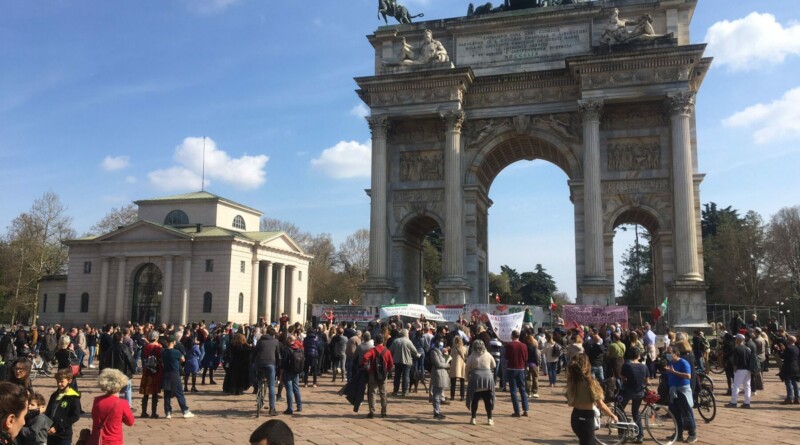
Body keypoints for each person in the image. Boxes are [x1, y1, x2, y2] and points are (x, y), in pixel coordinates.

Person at [565, 354, 617, 445]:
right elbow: (601, 404)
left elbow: (570, 403)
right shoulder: (591, 382)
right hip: (587, 418)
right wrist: (612, 415)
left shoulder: (572, 382)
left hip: (575, 416)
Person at [86, 369, 134, 445]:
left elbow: (94, 417)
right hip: (114, 441)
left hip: (97, 440)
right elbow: (130, 422)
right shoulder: (122, 403)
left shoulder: (97, 401)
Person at [664, 345, 697, 443]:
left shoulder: (683, 362)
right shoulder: (670, 362)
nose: (668, 354)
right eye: (667, 353)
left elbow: (688, 376)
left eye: (669, 352)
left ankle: (692, 433)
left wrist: (674, 372)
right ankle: (678, 433)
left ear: (676, 353)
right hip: (673, 390)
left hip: (683, 391)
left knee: (686, 412)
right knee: (675, 413)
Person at [160, 335, 194, 419]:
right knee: (179, 393)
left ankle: (168, 412)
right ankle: (185, 410)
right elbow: (183, 359)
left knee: (167, 394)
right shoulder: (176, 352)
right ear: (174, 342)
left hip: (166, 373)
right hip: (174, 373)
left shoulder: (163, 352)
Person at [44, 369, 81, 445]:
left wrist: (58, 427)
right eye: (58, 382)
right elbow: (48, 412)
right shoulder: (54, 395)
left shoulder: (73, 396)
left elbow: (75, 416)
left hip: (63, 435)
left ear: (69, 381)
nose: (59, 384)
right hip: (51, 434)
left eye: (62, 381)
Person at [618, 347, 647, 444]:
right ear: (639, 356)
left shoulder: (626, 365)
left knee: (619, 409)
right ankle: (640, 435)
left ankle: (623, 433)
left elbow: (622, 378)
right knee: (636, 412)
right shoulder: (644, 366)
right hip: (640, 392)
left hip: (628, 391)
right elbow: (646, 381)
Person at [361, 333, 393, 419]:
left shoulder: (372, 350)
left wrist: (366, 367)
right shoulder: (387, 351)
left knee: (372, 393)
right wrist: (387, 370)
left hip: (373, 373)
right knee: (383, 393)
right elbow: (391, 363)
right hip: (383, 374)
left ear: (375, 341)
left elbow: (364, 357)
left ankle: (372, 412)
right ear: (383, 341)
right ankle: (384, 412)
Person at [465, 339, 496, 426]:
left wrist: (467, 378)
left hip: (476, 380)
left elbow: (467, 368)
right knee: (487, 400)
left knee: (475, 400)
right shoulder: (488, 354)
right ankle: (490, 418)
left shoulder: (472, 356)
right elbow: (494, 365)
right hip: (487, 379)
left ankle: (473, 418)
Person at [253, 326, 281, 417]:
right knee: (271, 386)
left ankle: (259, 394)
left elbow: (255, 353)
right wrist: (277, 364)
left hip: (260, 363)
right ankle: (272, 408)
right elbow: (277, 355)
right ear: (273, 335)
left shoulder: (260, 341)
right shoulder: (275, 342)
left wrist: (253, 361)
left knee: (260, 379)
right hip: (271, 363)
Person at [100, 333, 134, 406]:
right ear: (121, 339)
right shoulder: (124, 347)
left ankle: (116, 404)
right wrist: (133, 369)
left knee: (115, 390)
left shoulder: (110, 349)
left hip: (113, 372)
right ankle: (128, 405)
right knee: (127, 389)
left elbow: (105, 361)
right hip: (125, 372)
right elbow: (130, 359)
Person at [504, 330, 529, 417]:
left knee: (513, 391)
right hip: (521, 369)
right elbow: (526, 358)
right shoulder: (524, 345)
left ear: (512, 336)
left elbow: (506, 357)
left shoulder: (509, 345)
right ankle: (525, 409)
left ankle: (517, 411)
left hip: (512, 369)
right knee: (522, 389)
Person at [138, 330, 162, 419]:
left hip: (147, 370)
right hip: (156, 371)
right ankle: (153, 412)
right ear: (156, 338)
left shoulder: (146, 346)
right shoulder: (159, 347)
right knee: (154, 393)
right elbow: (160, 358)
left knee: (146, 393)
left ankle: (144, 411)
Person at [726, 333, 752, 409]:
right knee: (747, 386)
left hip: (740, 369)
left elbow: (735, 361)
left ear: (738, 340)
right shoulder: (748, 349)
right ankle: (747, 402)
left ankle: (733, 402)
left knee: (736, 385)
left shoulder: (737, 348)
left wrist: (734, 368)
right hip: (748, 369)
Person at [390, 329, 418, 397]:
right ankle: (404, 392)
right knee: (406, 376)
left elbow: (390, 350)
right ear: (406, 334)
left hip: (397, 361)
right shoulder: (409, 342)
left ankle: (395, 391)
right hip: (406, 361)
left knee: (397, 376)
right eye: (408, 333)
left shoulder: (395, 341)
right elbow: (415, 351)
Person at [281, 335, 303, 415]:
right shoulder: (299, 349)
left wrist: (281, 371)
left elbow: (283, 362)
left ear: (289, 340)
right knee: (296, 389)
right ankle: (299, 406)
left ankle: (290, 408)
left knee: (289, 390)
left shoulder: (287, 350)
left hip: (288, 371)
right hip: (296, 371)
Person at [429, 340, 450, 420]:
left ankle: (438, 411)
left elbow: (442, 362)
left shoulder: (440, 352)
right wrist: (447, 365)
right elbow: (438, 364)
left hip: (442, 374)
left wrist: (446, 356)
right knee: (436, 394)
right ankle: (436, 412)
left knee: (439, 394)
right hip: (437, 374)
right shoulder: (434, 352)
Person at [779, 335, 800, 404]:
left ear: (789, 340)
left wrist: (780, 350)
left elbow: (783, 356)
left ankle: (789, 398)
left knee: (788, 383)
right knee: (795, 383)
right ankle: (797, 398)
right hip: (795, 367)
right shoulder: (797, 348)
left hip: (788, 367)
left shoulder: (788, 348)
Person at [449, 335, 468, 401]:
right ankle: (462, 396)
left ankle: (452, 396)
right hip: (462, 365)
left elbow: (451, 356)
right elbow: (466, 355)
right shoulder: (464, 348)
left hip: (454, 365)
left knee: (453, 382)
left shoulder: (453, 348)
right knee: (462, 382)